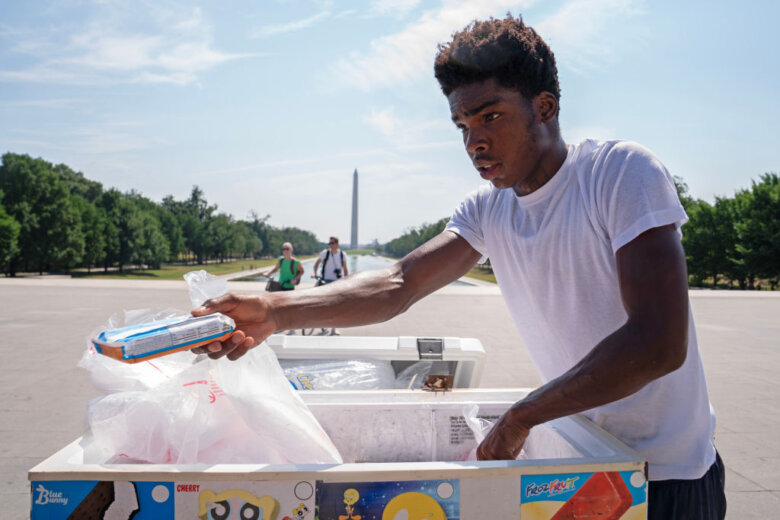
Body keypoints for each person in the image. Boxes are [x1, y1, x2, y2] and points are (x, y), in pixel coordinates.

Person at [193, 15, 724, 518]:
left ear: (544, 106)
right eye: (462, 124)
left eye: (491, 116)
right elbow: (398, 283)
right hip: (585, 463)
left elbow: (659, 341)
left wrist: (522, 415)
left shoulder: (618, 173)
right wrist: (274, 309)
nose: (474, 142)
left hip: (668, 475)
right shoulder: (490, 209)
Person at [310, 236, 349, 335]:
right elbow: (316, 264)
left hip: (338, 282)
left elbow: (345, 268)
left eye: (332, 243)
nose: (330, 245)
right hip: (326, 281)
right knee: (323, 305)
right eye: (329, 243)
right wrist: (314, 273)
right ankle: (322, 324)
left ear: (337, 244)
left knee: (336, 307)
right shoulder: (325, 253)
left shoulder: (342, 254)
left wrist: (348, 280)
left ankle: (333, 329)